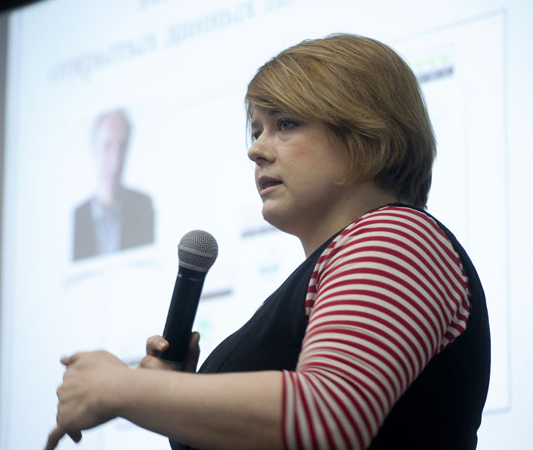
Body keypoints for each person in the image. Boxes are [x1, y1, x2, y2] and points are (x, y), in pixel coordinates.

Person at [47, 34, 490, 450]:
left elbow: (328, 417)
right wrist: (171, 393)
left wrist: (123, 387)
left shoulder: (398, 235)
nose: (255, 150)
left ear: (365, 133)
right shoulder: (328, 269)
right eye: (256, 130)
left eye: (286, 124)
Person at [72, 108, 155, 261]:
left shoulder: (143, 208)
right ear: (93, 148)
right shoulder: (76, 218)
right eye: (107, 146)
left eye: (122, 147)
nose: (115, 161)